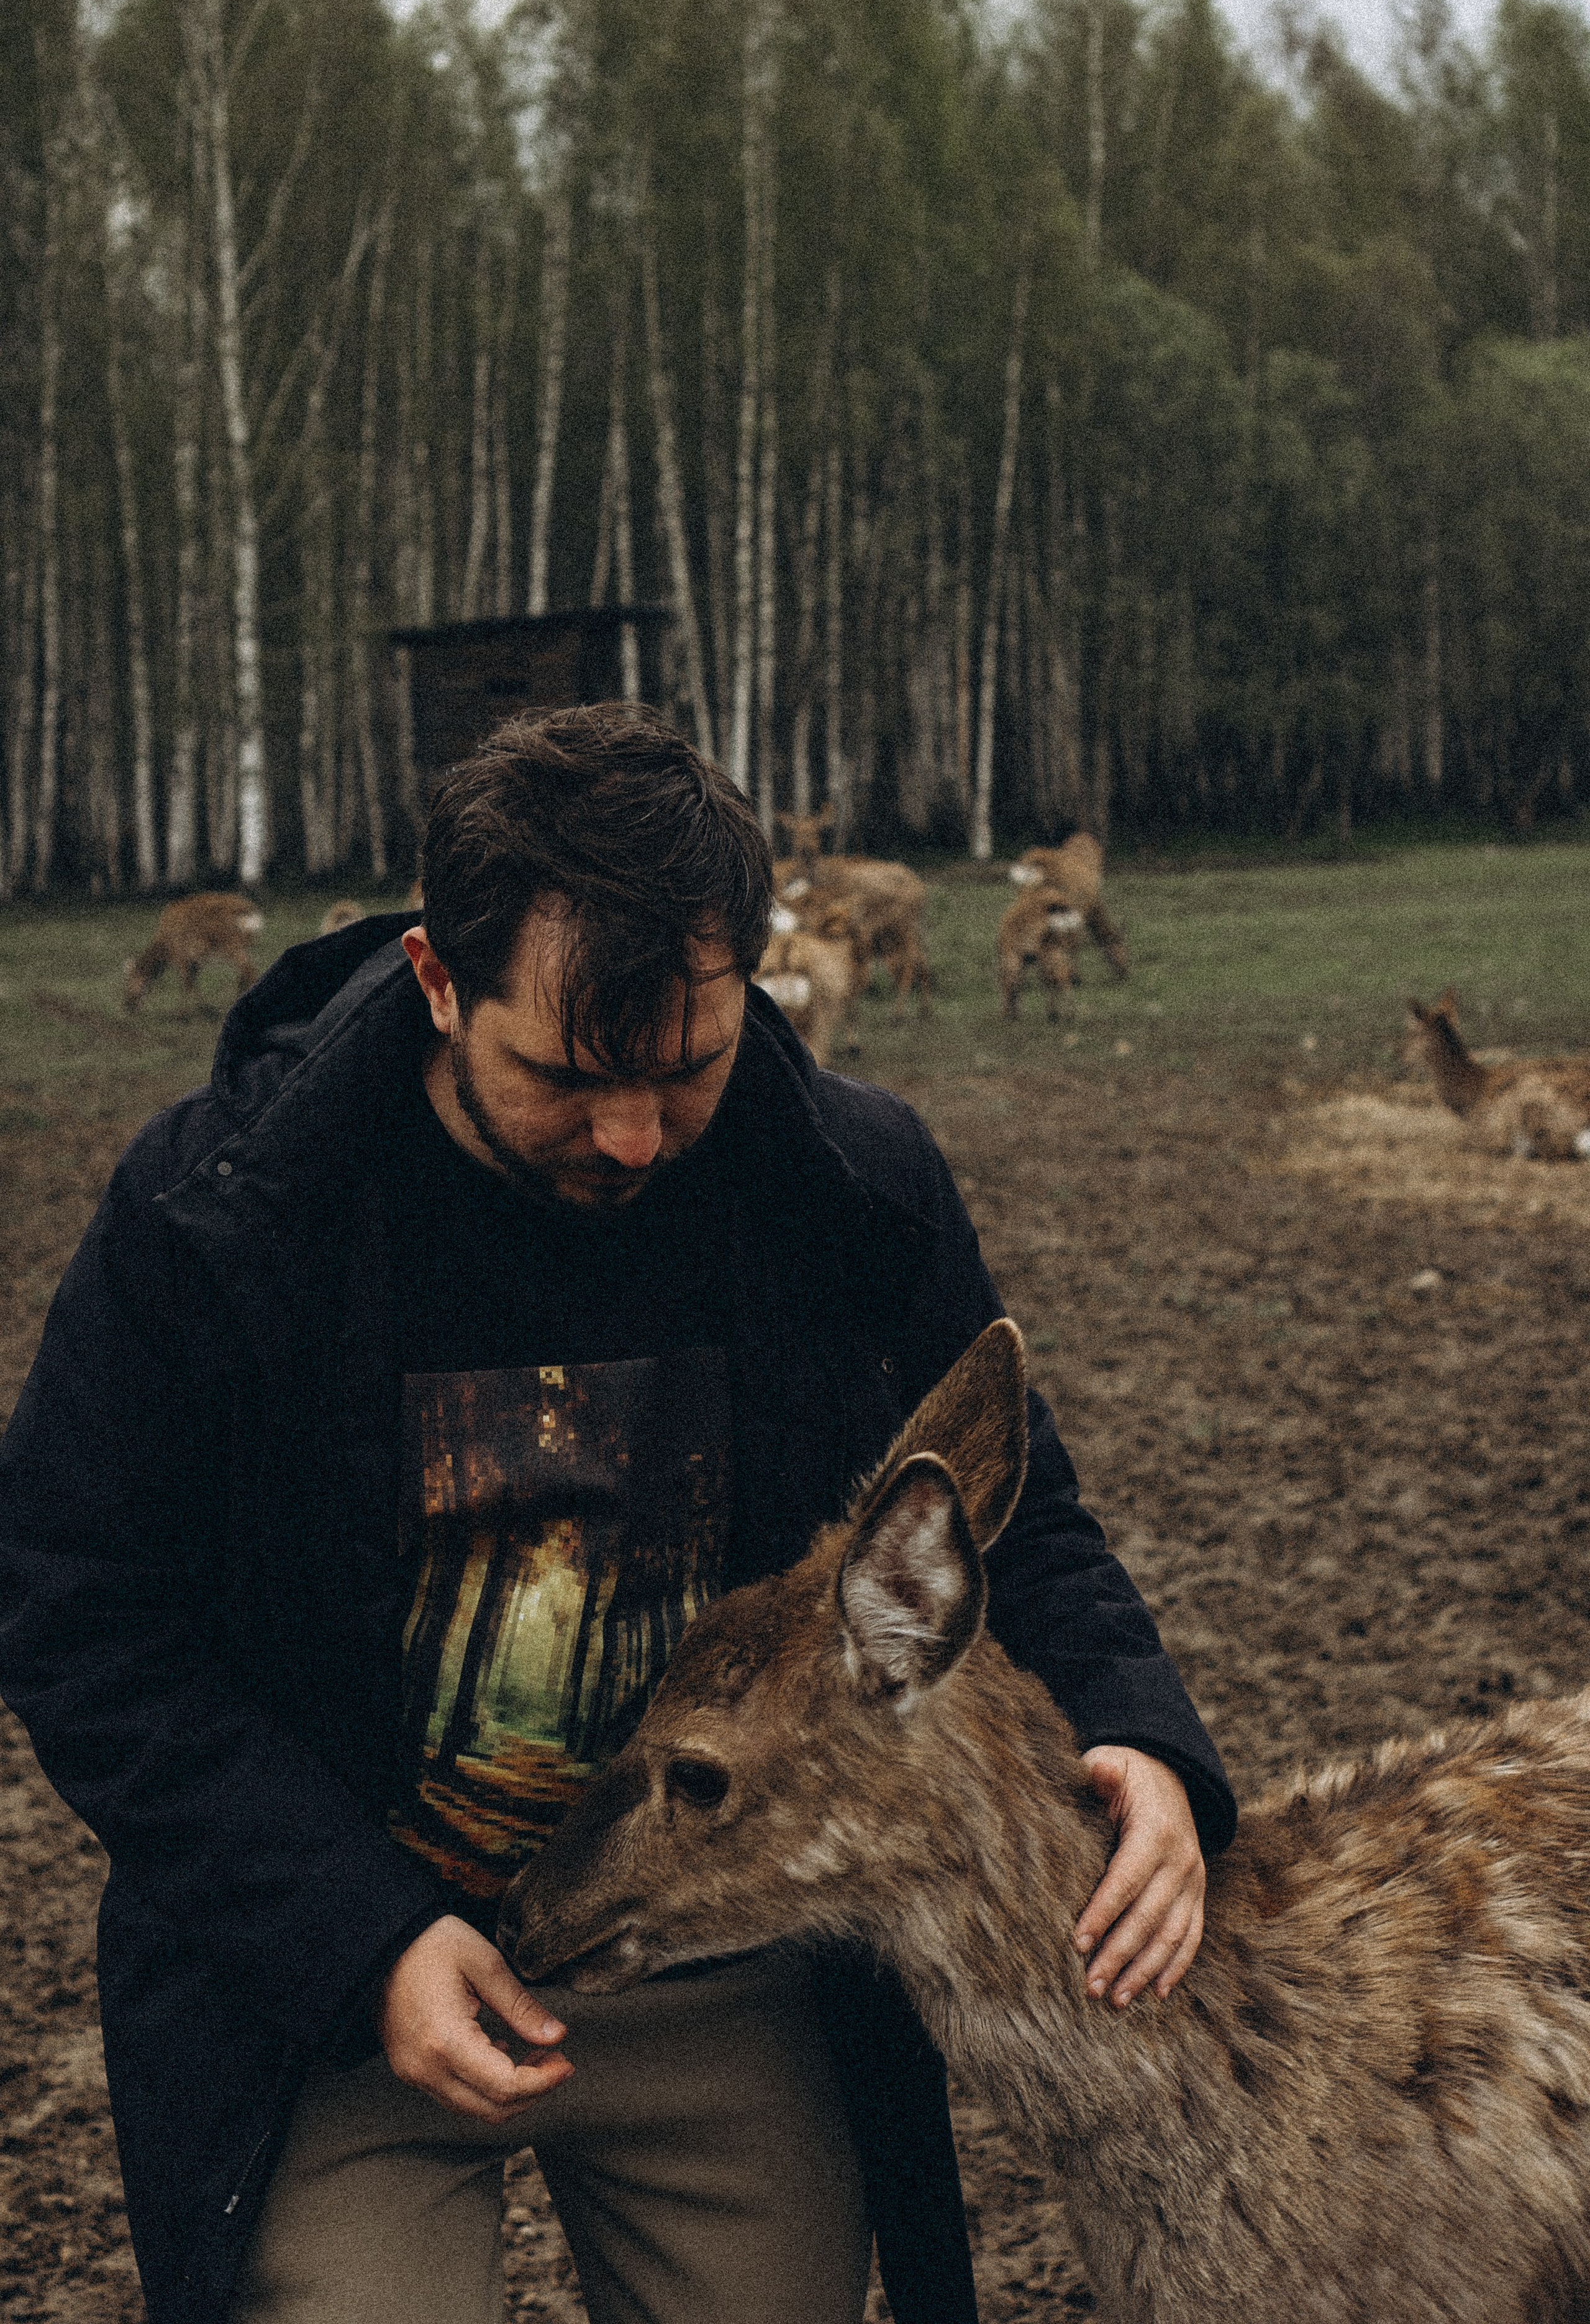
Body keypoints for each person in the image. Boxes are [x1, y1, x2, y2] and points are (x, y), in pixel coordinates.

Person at [0, 706, 1235, 2324]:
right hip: (339, 1987)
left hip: (724, 1966)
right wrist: (357, 1939)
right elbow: (76, 1606)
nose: (636, 1136)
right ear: (441, 982)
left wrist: (1142, 1732)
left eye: (690, 1066)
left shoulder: (852, 1189)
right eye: (569, 1077)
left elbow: (1015, 1515)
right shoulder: (220, 1214)